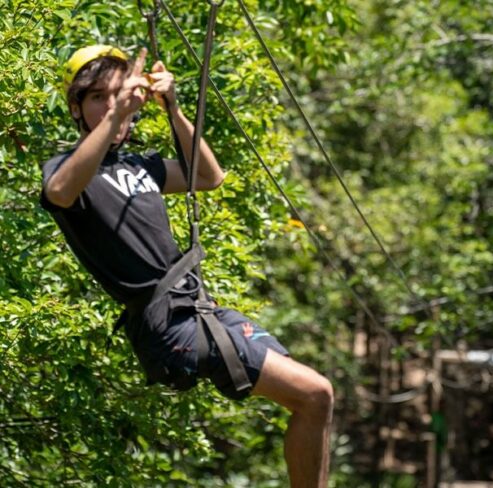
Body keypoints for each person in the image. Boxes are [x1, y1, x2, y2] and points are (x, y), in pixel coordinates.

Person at [41, 45, 333, 488]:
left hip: (200, 312)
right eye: (98, 97)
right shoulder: (68, 171)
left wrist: (172, 107)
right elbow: (60, 192)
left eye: (118, 95)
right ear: (77, 108)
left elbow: (208, 176)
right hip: (168, 326)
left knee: (312, 395)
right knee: (316, 394)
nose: (110, 105)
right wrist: (117, 115)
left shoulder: (142, 166)